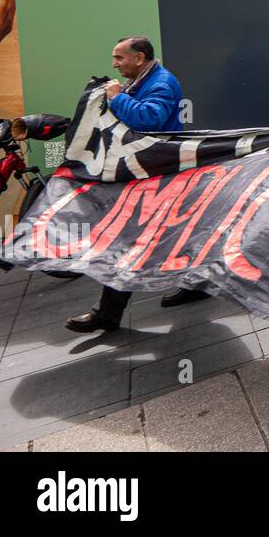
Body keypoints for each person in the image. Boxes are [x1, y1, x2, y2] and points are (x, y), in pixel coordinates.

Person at [67, 37, 200, 332]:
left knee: (126, 240)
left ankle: (107, 313)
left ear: (139, 58)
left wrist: (117, 98)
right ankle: (198, 283)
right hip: (149, 172)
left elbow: (150, 119)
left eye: (119, 58)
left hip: (157, 173)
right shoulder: (143, 80)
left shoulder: (161, 83)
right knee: (171, 234)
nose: (114, 64)